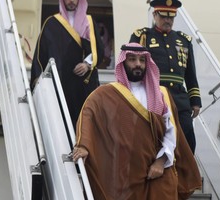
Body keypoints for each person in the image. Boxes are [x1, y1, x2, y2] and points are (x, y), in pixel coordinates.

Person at [73, 43, 201, 200]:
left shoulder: (161, 94)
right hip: (126, 173)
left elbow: (170, 131)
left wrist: (161, 162)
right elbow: (88, 114)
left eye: (142, 60)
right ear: (123, 62)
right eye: (132, 59)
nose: (138, 64)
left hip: (158, 170)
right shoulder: (108, 93)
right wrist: (84, 146)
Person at [129, 0, 202, 154]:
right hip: (155, 94)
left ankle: (186, 172)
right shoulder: (143, 36)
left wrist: (195, 101)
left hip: (179, 98)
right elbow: (131, 66)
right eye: (163, 16)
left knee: (187, 132)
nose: (167, 20)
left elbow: (190, 74)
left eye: (171, 17)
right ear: (155, 15)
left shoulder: (184, 40)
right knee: (157, 135)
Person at [30, 0, 104, 130]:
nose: (71, 0)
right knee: (60, 120)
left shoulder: (88, 21)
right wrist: (38, 77)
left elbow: (98, 50)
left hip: (83, 81)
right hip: (60, 81)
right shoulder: (51, 23)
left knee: (85, 121)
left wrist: (87, 64)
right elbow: (40, 53)